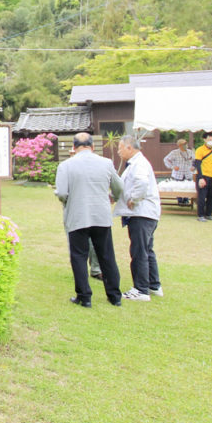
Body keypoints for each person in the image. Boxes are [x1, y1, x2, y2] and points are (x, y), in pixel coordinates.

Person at [54, 132, 124, 308]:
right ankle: (114, 295)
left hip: (77, 215)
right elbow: (119, 187)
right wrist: (112, 196)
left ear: (74, 147)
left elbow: (62, 192)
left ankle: (84, 297)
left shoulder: (66, 165)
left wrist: (68, 202)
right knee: (107, 256)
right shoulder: (106, 163)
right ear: (92, 147)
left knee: (78, 256)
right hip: (101, 216)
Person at [115, 136, 163, 301]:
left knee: (139, 251)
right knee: (147, 249)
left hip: (142, 213)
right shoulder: (135, 164)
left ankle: (141, 289)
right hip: (146, 213)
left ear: (129, 148)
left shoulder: (139, 164)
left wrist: (134, 199)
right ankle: (153, 285)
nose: (118, 151)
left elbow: (141, 183)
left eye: (120, 148)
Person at [193, 132, 212, 222]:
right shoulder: (200, 150)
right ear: (204, 139)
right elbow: (198, 164)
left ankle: (209, 214)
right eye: (209, 139)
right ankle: (200, 215)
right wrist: (200, 177)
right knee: (202, 196)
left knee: (211, 196)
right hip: (203, 175)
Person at [163, 138, 194, 205]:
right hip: (178, 173)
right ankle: (180, 200)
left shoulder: (190, 152)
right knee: (178, 188)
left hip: (188, 173)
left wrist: (193, 167)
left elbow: (196, 161)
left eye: (186, 144)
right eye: (183, 144)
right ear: (179, 145)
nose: (185, 145)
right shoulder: (174, 152)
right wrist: (172, 167)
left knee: (187, 187)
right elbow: (166, 159)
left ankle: (186, 200)